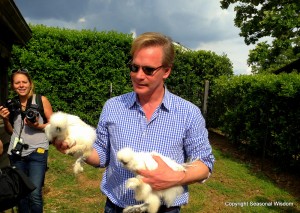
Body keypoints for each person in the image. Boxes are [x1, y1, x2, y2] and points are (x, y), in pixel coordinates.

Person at [53, 32, 215, 213]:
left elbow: (204, 162)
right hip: (115, 207)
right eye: (134, 67)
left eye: (148, 70)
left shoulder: (188, 113)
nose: (138, 75)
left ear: (166, 71)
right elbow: (102, 155)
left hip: (164, 209)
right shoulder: (113, 107)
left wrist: (175, 177)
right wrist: (75, 147)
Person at [0, 69, 53, 213]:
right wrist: (5, 119)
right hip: (16, 153)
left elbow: (55, 124)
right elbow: (11, 131)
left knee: (34, 193)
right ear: (13, 86)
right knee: (20, 193)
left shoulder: (41, 100)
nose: (21, 85)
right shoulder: (11, 104)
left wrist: (39, 125)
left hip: (38, 152)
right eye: (17, 82)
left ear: (30, 84)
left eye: (24, 82)